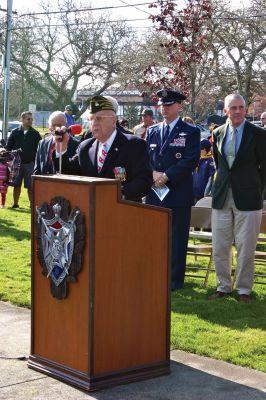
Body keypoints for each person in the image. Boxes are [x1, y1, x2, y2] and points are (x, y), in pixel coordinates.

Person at [208, 93, 266, 302]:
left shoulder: (259, 134)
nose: (238, 111)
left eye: (241, 107)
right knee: (220, 245)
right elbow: (218, 164)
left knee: (246, 247)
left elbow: (264, 168)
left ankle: (243, 290)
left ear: (246, 109)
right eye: (233, 108)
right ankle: (223, 287)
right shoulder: (217, 133)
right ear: (225, 111)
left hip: (249, 198)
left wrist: (255, 189)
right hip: (222, 196)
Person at [145, 89, 201, 290]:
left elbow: (190, 160)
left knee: (177, 239)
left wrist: (166, 175)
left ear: (179, 106)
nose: (164, 109)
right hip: (154, 192)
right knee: (155, 236)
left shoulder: (191, 132)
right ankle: (155, 274)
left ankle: (175, 281)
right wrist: (152, 174)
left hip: (177, 192)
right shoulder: (152, 131)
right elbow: (146, 159)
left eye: (168, 105)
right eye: (161, 105)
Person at [53, 95, 153, 202]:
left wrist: (119, 194)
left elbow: (144, 180)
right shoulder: (85, 147)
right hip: (90, 212)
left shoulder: (134, 145)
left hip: (123, 212)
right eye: (91, 119)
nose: (94, 123)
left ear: (114, 121)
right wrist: (61, 149)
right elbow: (68, 173)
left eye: (99, 118)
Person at [6, 111, 41, 207]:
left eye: (31, 119)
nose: (30, 121)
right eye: (28, 119)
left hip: (30, 164)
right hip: (16, 164)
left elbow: (39, 149)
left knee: (30, 186)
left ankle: (32, 205)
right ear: (22, 119)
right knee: (16, 185)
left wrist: (35, 162)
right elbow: (8, 147)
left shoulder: (35, 133)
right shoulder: (14, 132)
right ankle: (15, 204)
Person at [193, 139, 215, 203]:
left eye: (199, 149)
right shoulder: (197, 159)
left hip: (203, 195)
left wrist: (206, 193)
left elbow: (210, 179)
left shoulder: (210, 161)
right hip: (194, 193)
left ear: (204, 150)